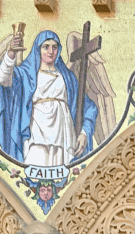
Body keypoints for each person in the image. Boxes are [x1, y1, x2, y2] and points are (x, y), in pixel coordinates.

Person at [0, 30, 97, 167]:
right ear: (38, 49)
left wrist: (84, 133)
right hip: (37, 131)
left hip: (63, 133)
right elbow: (3, 79)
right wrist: (11, 53)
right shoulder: (26, 74)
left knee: (62, 167)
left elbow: (89, 107)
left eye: (54, 47)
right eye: (46, 47)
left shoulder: (68, 77)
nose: (51, 51)